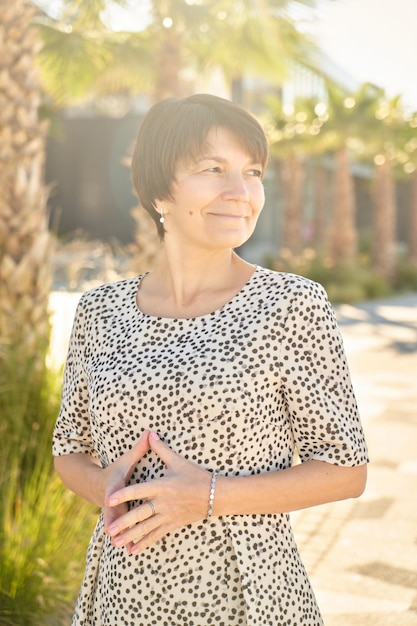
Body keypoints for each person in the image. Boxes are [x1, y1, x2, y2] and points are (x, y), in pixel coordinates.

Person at [53, 93, 369, 626]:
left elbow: (345, 471)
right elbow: (70, 451)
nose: (240, 193)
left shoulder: (292, 304)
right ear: (159, 192)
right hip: (122, 594)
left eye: (253, 172)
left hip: (247, 594)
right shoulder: (98, 311)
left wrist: (210, 497)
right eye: (212, 168)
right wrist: (105, 484)